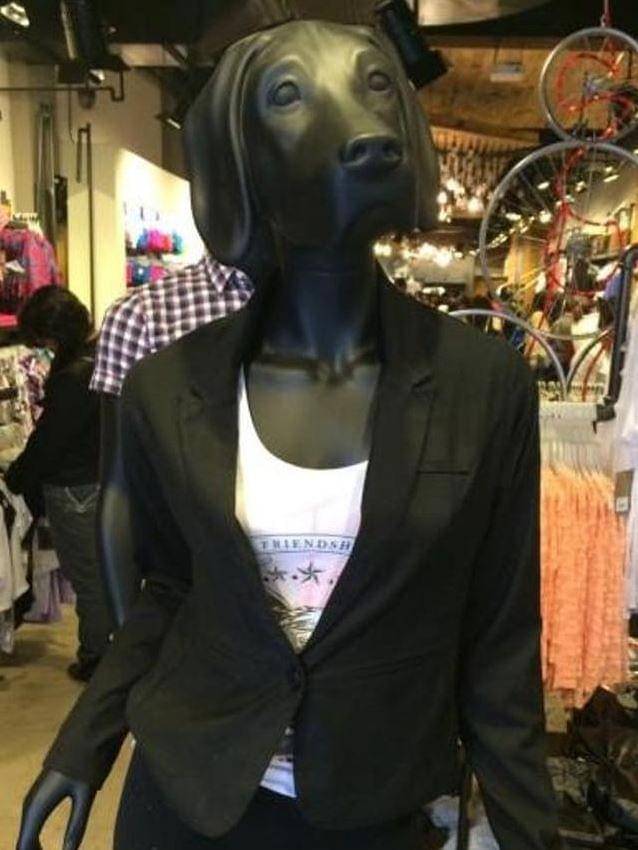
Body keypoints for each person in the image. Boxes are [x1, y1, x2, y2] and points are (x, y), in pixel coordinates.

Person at [17, 17, 560, 850]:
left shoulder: (483, 388)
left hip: (371, 807)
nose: (361, 124)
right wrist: (84, 743)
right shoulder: (171, 387)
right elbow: (170, 592)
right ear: (242, 157)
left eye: (376, 85)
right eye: (288, 95)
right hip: (190, 797)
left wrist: (528, 831)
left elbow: (499, 639)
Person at [5, 287, 112, 682]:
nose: (44, 348)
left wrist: (17, 476)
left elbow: (50, 441)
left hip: (74, 490)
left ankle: (97, 657)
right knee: (102, 573)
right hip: (99, 480)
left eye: (44, 340)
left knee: (88, 577)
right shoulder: (100, 355)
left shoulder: (72, 377)